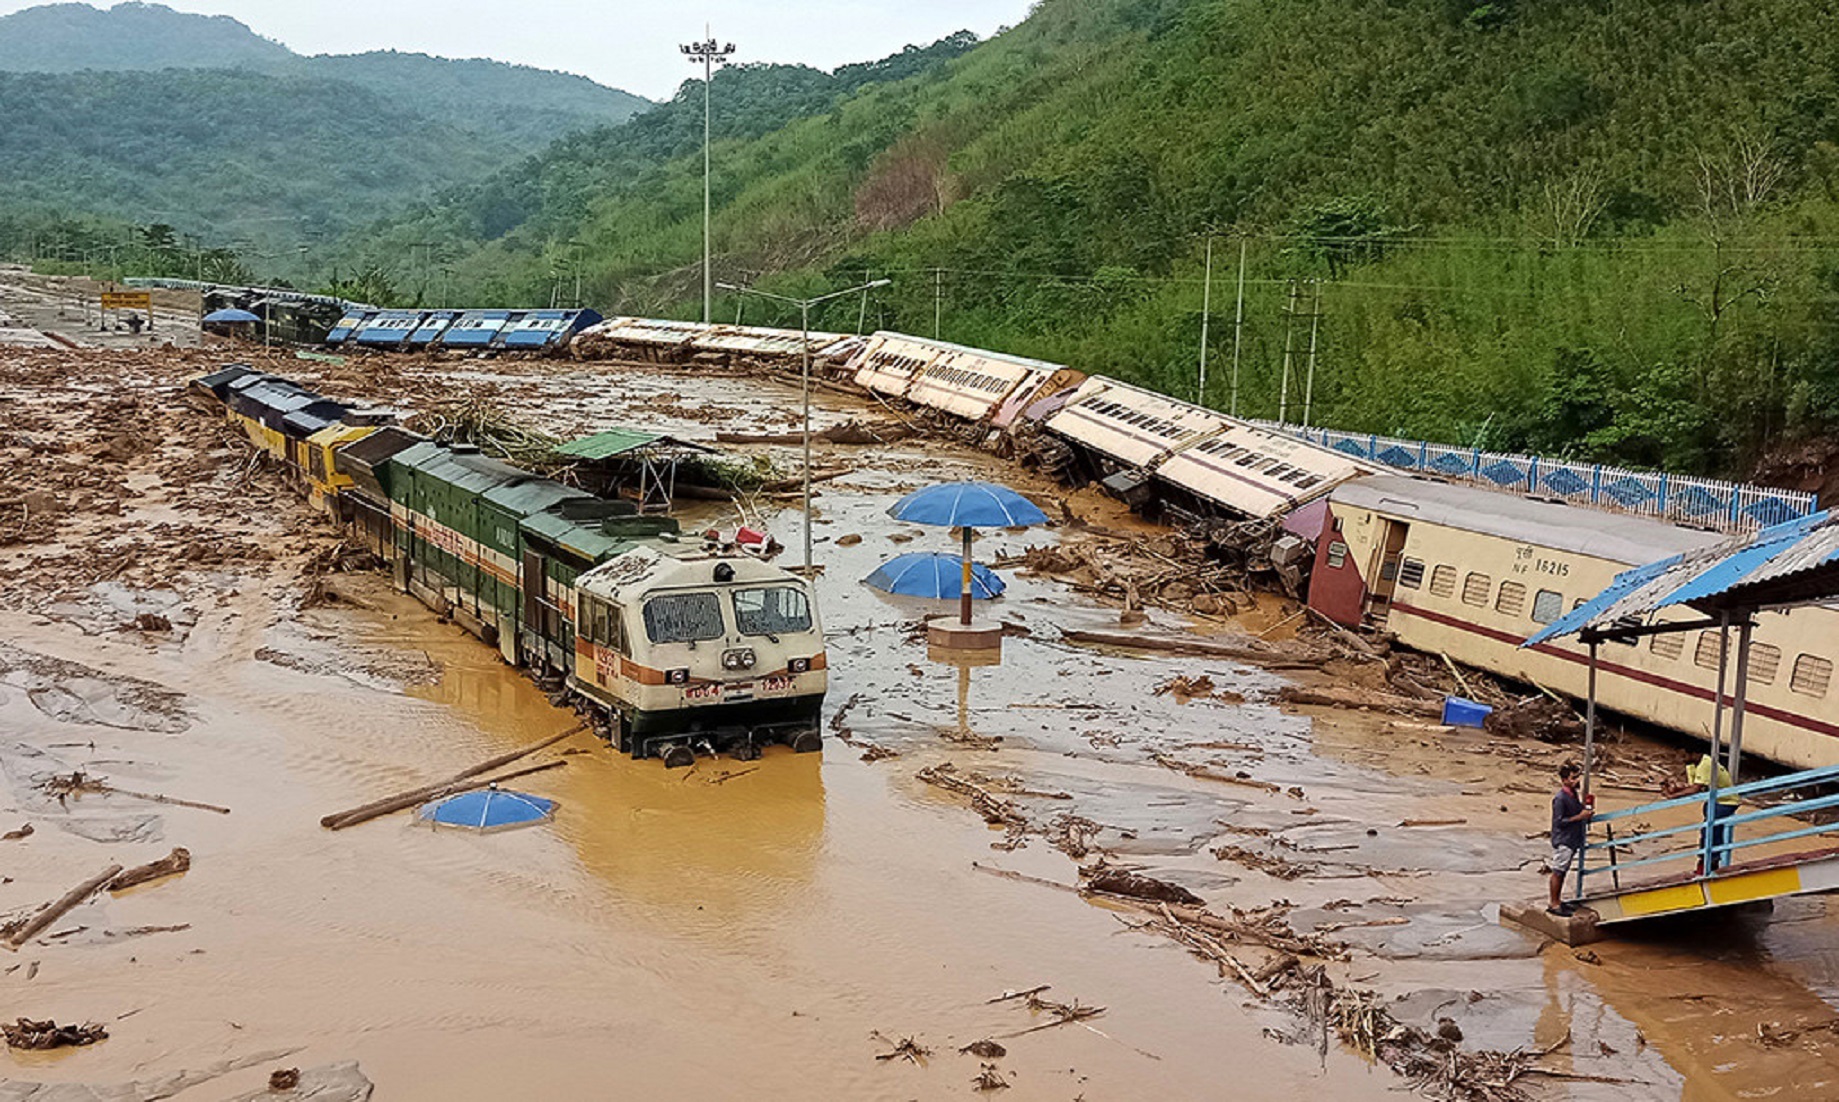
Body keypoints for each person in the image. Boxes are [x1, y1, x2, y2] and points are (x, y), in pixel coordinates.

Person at [1663, 752, 1740, 874]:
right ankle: (1707, 861)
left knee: (1711, 831)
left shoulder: (1706, 764)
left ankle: (1710, 863)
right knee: (1708, 831)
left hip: (1726, 801)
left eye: (1683, 755)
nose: (1680, 759)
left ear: (1695, 753)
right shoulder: (1691, 764)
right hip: (1713, 800)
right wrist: (1677, 789)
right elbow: (1694, 786)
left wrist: (1673, 796)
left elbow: (1695, 789)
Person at [1548, 762, 1593, 917]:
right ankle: (1554, 903)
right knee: (1558, 871)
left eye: (1577, 778)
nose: (1576, 781)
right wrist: (1579, 817)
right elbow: (1559, 822)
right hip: (1564, 839)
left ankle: (1558, 901)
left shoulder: (1573, 794)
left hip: (1572, 838)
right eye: (1573, 778)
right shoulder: (1560, 798)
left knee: (1563, 870)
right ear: (1565, 780)